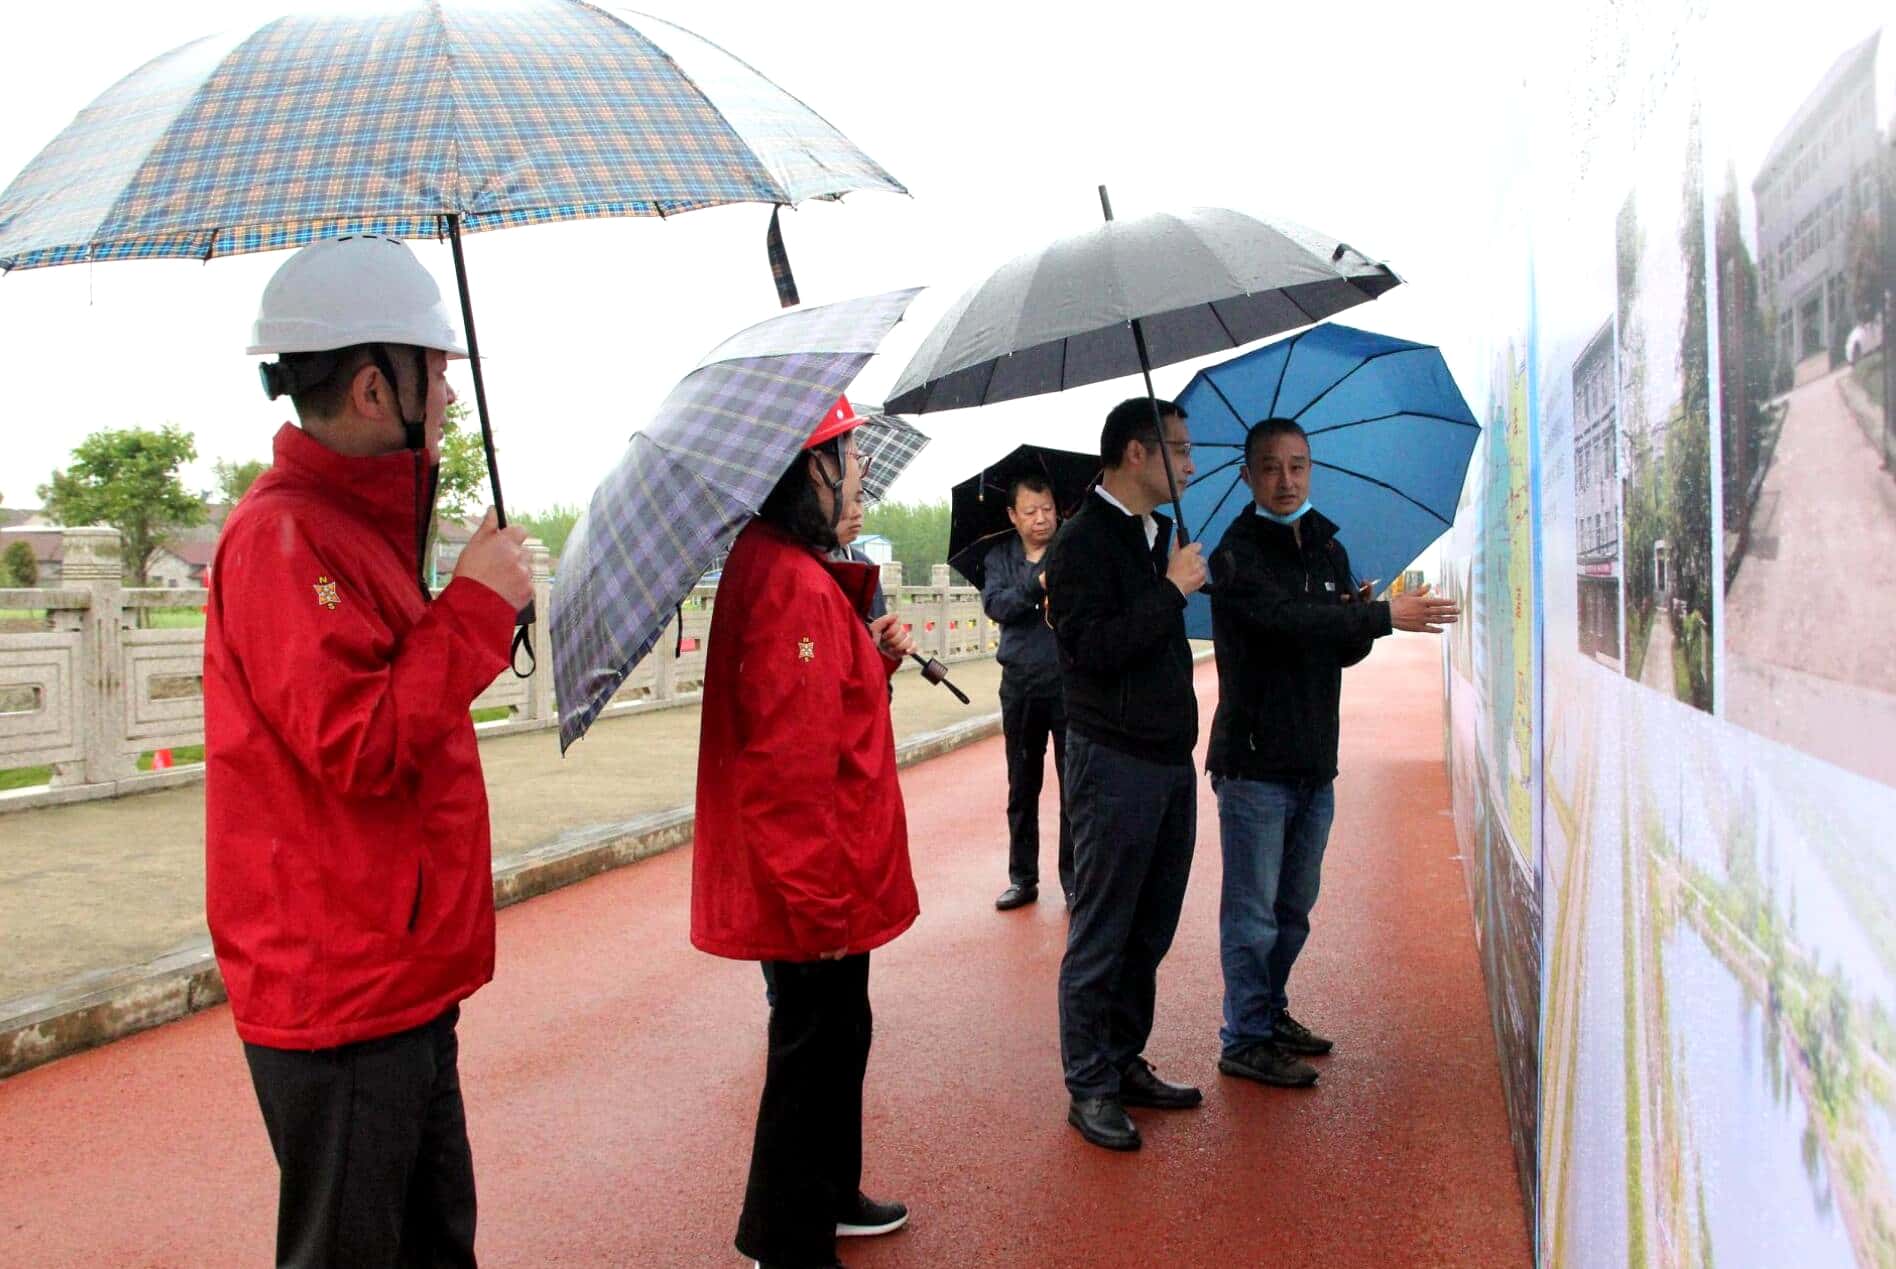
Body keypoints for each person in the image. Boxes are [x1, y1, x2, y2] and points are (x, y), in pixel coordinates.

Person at [204, 235, 533, 1267]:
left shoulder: (352, 528)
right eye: (436, 371)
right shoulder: (285, 539)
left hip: (397, 968)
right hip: (342, 986)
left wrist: (467, 599)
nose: (449, 397)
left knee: (435, 1244)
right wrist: (474, 607)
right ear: (372, 385)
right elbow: (358, 742)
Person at [693, 402, 919, 1269]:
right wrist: (819, 907)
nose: (862, 474)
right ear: (808, 470)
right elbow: (788, 772)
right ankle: (785, 1239)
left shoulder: (791, 565)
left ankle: (829, 1195)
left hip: (831, 868)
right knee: (810, 1051)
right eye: (849, 457)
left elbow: (826, 703)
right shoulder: (787, 579)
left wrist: (873, 655)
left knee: (838, 1035)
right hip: (815, 879)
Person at [1206, 417, 1460, 1089]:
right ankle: (1244, 1037)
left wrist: (1358, 617)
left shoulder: (1326, 546)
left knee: (1293, 909)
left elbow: (1338, 647)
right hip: (1254, 763)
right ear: (1247, 475)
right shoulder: (1234, 555)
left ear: (1311, 469)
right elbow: (1283, 623)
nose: (1285, 480)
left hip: (1315, 759)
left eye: (1297, 465)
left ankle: (1269, 1012)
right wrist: (1380, 616)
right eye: (1270, 467)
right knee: (1253, 914)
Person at [1045, 397, 1208, 1152]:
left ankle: (1122, 1057)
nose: (1192, 463)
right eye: (1181, 448)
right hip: (1113, 759)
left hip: (1168, 757)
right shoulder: (1080, 542)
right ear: (1137, 453)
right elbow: (1093, 650)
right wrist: (1170, 590)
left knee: (1151, 926)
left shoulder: (1156, 533)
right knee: (1104, 928)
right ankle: (1090, 1083)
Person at [982, 473, 1073, 910]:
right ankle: (1023, 878)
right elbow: (997, 605)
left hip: (1069, 684)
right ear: (1013, 516)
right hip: (1019, 685)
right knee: (1022, 785)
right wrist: (1037, 586)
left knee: (1075, 786)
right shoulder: (999, 557)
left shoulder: (1072, 549)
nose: (1041, 519)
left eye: (1048, 509)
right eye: (1031, 511)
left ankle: (1075, 880)